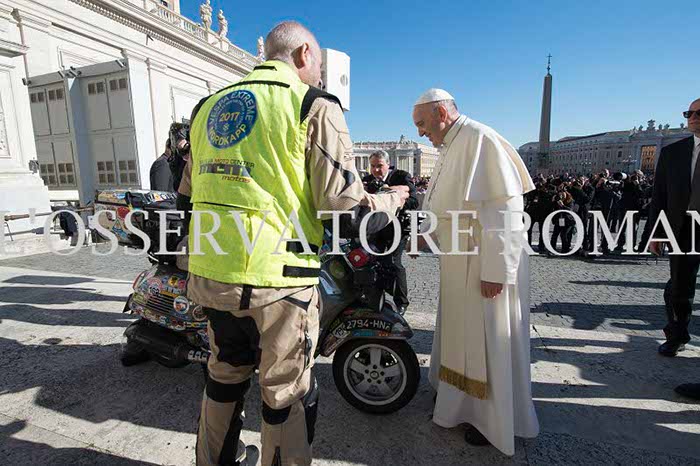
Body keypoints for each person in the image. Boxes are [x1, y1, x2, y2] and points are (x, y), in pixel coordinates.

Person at [178, 22, 408, 466]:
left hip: (212, 274)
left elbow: (186, 198)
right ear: (304, 54)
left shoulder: (208, 106)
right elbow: (344, 210)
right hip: (279, 281)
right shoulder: (312, 104)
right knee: (286, 392)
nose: (319, 74)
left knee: (223, 375)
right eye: (318, 65)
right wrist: (392, 200)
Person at [412, 88, 539, 455]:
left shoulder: (480, 138)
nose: (420, 132)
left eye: (422, 123)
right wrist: (423, 235)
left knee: (487, 341)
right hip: (459, 260)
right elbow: (445, 205)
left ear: (441, 113)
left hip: (484, 263)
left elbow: (505, 212)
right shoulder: (450, 146)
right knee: (459, 333)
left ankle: (489, 420)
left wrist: (496, 271)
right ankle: (456, 402)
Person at [649, 97, 700, 358]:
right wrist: (656, 233)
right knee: (680, 286)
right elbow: (660, 196)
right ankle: (677, 335)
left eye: (699, 113)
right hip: (683, 228)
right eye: (689, 113)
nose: (693, 117)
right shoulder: (673, 152)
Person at [362, 150, 419, 314]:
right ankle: (376, 299)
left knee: (394, 262)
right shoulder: (368, 180)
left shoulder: (401, 176)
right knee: (373, 262)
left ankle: (401, 302)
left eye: (379, 166)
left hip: (398, 228)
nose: (376, 170)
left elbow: (414, 201)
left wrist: (388, 193)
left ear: (388, 164)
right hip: (376, 229)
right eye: (373, 166)